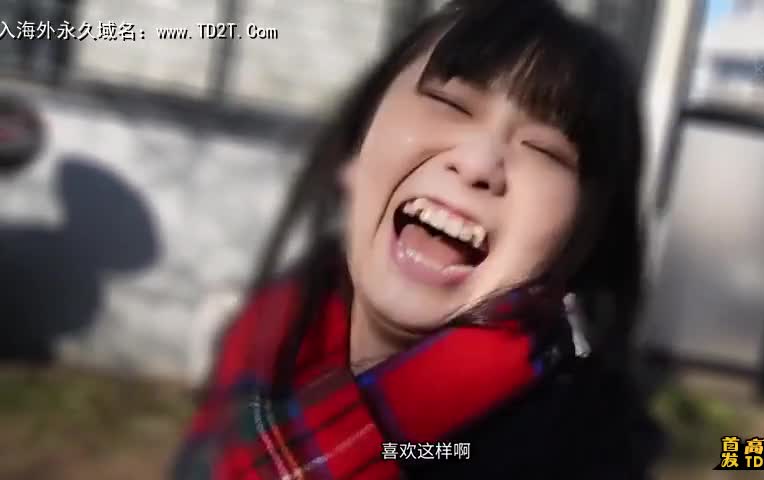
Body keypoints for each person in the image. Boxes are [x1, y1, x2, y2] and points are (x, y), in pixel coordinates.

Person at [172, 0, 663, 478]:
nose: (476, 164)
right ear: (355, 149)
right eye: (449, 103)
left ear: (582, 240)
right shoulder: (260, 340)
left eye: (544, 150)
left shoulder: (576, 456)